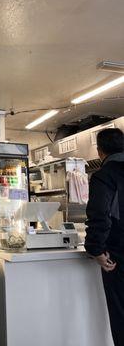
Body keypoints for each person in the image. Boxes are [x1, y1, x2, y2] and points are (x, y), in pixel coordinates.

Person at [85, 128, 124, 346]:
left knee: (121, 316)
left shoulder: (104, 175)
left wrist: (96, 250)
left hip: (117, 257)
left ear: (100, 151)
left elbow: (100, 215)